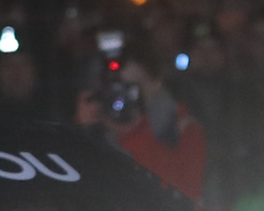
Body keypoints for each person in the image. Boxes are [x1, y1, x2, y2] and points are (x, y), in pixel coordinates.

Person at [78, 55, 205, 199]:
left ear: (156, 83)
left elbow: (177, 197)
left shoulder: (184, 129)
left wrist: (131, 134)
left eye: (132, 88)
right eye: (116, 88)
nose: (123, 96)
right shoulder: (101, 129)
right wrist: (84, 130)